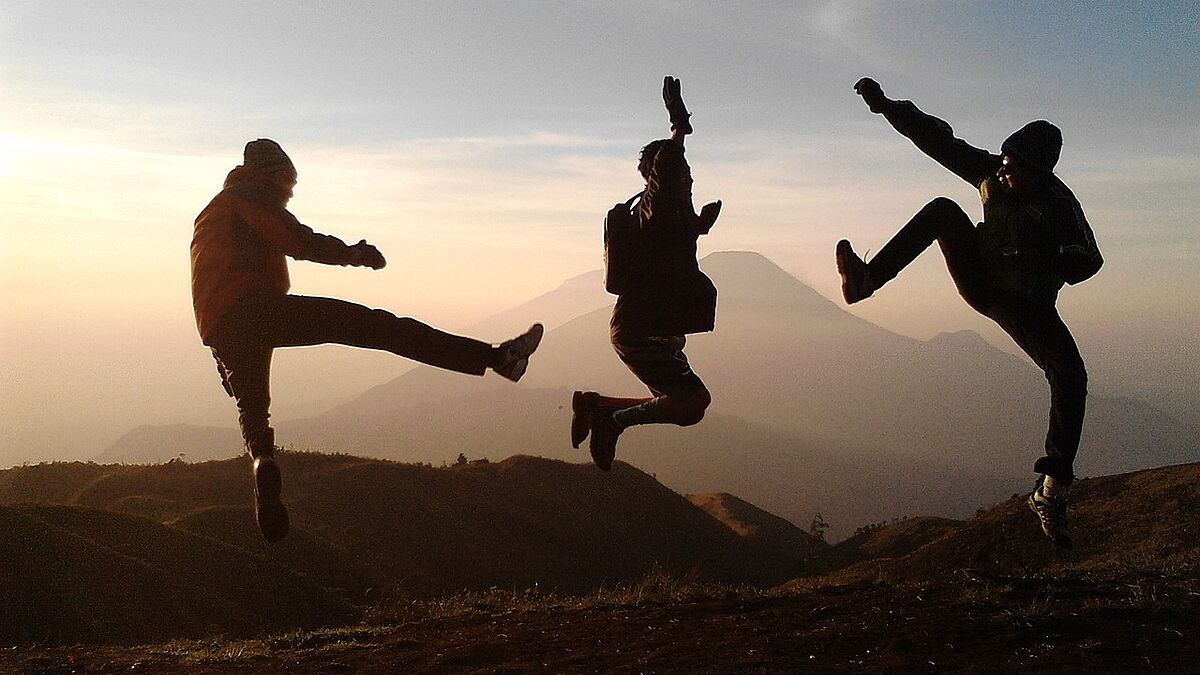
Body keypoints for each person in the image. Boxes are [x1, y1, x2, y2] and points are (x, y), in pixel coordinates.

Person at [191, 139, 543, 542]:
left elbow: (207, 292)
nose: (288, 196)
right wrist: (354, 254)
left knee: (253, 409)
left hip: (220, 328)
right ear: (274, 175)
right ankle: (499, 358)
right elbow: (299, 241)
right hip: (257, 308)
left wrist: (223, 359)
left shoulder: (210, 213)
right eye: (287, 186)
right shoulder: (249, 196)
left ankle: (262, 466)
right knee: (376, 326)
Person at [836, 78, 1102, 548]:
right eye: (1005, 161)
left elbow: (1089, 261)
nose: (1005, 173)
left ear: (1041, 173)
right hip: (981, 281)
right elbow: (939, 139)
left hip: (1025, 304)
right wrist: (886, 107)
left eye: (1016, 168)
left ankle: (1051, 489)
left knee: (1069, 374)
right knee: (943, 209)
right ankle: (866, 281)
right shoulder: (991, 171)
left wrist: (1054, 258)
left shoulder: (1060, 205)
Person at [570, 77, 723, 471]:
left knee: (685, 405)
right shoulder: (657, 208)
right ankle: (609, 419)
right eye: (683, 174)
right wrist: (678, 127)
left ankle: (599, 408)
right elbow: (668, 168)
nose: (689, 179)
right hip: (640, 331)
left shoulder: (661, 218)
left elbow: (665, 251)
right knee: (692, 403)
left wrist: (699, 226)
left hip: (646, 330)